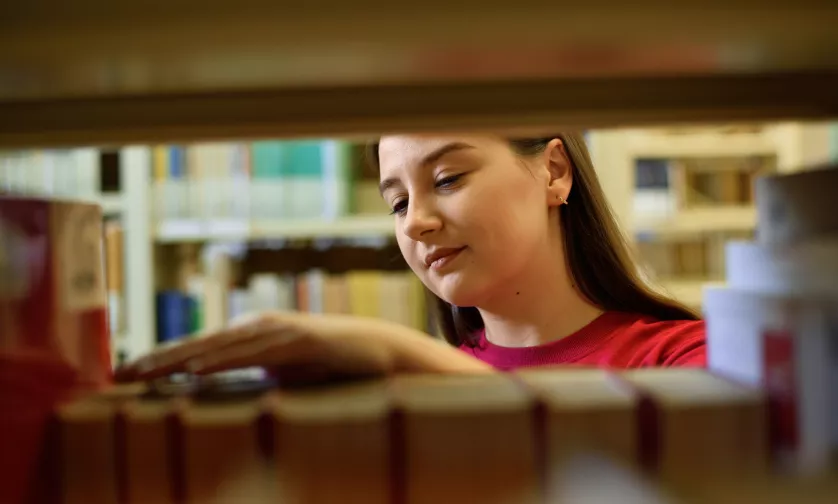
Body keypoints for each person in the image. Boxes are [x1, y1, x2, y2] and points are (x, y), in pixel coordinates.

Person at [115, 133, 705, 384]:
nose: (416, 220)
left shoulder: (685, 357)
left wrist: (405, 356)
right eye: (397, 203)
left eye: (447, 178)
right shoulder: (414, 380)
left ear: (553, 171)